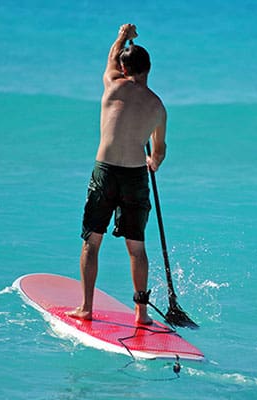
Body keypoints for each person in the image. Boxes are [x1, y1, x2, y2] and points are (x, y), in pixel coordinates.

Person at [68, 24, 167, 325]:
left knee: (92, 242)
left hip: (106, 171)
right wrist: (152, 160)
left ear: (124, 69)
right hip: (136, 175)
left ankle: (86, 307)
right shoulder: (158, 107)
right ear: (148, 69)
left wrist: (123, 35)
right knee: (136, 248)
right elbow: (159, 151)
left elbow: (112, 56)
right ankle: (142, 313)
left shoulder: (113, 85)